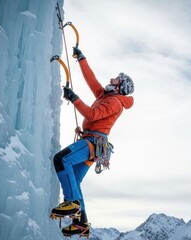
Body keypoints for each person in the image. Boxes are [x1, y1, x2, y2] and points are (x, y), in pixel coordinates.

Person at [50, 47, 134, 237]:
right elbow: (92, 80)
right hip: (95, 145)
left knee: (61, 160)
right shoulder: (107, 96)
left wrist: (74, 98)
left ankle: (72, 203)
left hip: (93, 143)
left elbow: (93, 114)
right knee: (76, 180)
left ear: (120, 86)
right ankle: (81, 223)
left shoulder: (115, 102)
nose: (112, 79)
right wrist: (81, 59)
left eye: (116, 79)